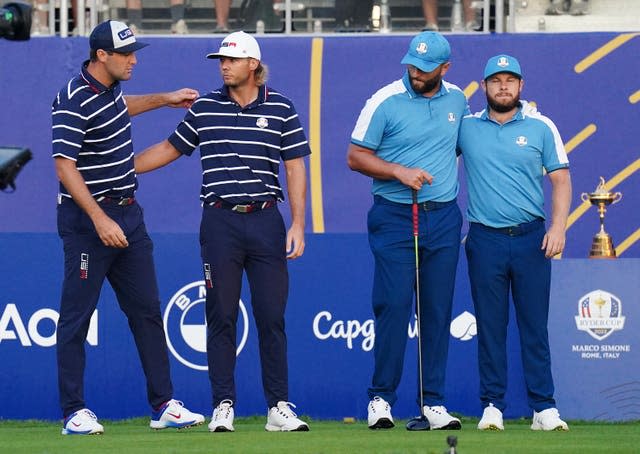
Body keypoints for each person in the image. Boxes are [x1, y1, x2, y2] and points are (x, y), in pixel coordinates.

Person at [134, 31, 310, 433]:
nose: (223, 66)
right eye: (221, 60)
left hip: (266, 220)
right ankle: (223, 405)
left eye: (231, 60)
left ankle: (278, 407)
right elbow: (169, 148)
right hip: (219, 223)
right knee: (221, 315)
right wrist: (124, 168)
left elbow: (295, 166)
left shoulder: (281, 107)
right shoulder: (206, 108)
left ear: (253, 65)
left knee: (271, 317)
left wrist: (298, 223)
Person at [51, 19, 204, 435]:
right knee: (75, 318)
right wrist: (99, 219)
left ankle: (164, 405)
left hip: (129, 216)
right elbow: (64, 165)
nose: (134, 60)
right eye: (126, 54)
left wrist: (165, 99)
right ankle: (74, 412)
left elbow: (121, 107)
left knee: (147, 312)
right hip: (87, 221)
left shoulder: (109, 90)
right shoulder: (72, 99)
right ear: (102, 56)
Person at [347, 31, 468, 430]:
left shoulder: (457, 100)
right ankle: (380, 399)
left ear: (445, 69)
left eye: (425, 68)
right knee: (394, 305)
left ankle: (433, 402)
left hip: (444, 217)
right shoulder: (384, 100)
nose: (416, 73)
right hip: (396, 215)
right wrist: (398, 170)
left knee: (436, 311)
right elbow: (355, 156)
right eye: (412, 65)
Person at [456, 54, 572, 432]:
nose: (503, 86)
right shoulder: (467, 127)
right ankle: (493, 406)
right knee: (490, 326)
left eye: (510, 80)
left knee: (534, 325)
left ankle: (544, 408)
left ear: (521, 87)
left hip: (530, 238)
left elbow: (560, 179)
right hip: (484, 239)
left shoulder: (541, 126)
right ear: (484, 87)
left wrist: (558, 228)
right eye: (496, 80)